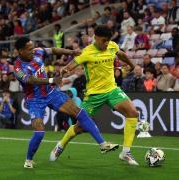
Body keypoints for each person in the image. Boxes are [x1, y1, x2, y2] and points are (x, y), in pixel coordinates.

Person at [14, 37, 118, 169]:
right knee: (39, 133)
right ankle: (28, 160)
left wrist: (71, 52)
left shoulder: (38, 51)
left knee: (80, 113)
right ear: (21, 51)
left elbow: (53, 50)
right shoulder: (18, 68)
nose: (32, 50)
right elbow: (30, 80)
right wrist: (52, 80)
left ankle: (103, 144)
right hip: (35, 100)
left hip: (51, 93)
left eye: (32, 47)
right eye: (29, 49)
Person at [50, 25, 139, 166]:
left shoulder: (112, 45)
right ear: (95, 38)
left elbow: (121, 54)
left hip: (112, 90)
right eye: (103, 41)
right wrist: (65, 70)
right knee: (79, 127)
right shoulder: (87, 52)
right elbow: (73, 63)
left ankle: (126, 152)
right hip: (93, 95)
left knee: (133, 113)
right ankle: (60, 145)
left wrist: (132, 65)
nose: (105, 44)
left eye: (108, 41)